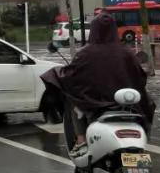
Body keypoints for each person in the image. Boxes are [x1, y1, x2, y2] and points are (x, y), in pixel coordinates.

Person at [41, 12, 154, 155]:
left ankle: (81, 140)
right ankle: (145, 135)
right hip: (124, 104)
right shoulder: (127, 53)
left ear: (94, 30)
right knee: (148, 102)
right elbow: (140, 78)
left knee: (73, 101)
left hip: (94, 102)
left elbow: (72, 75)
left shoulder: (85, 53)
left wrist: (56, 74)